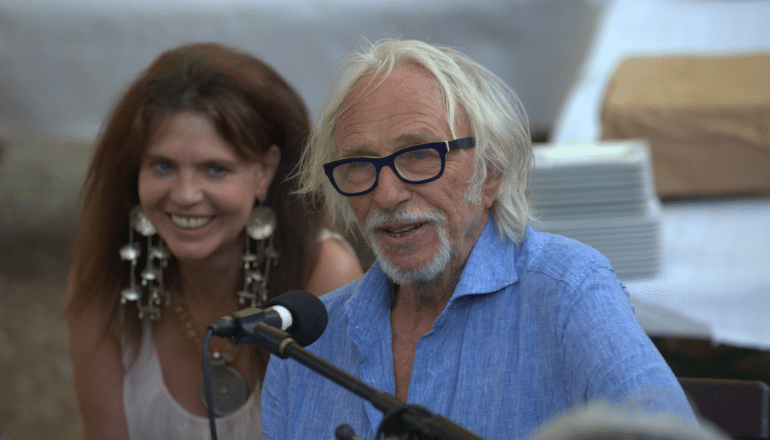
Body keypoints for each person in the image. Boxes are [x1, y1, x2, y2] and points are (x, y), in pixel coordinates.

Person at [261, 38, 696, 440]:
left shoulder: (568, 293)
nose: (387, 194)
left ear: (491, 173)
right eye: (359, 163)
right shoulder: (306, 347)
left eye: (419, 155)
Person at [66, 42, 362, 440]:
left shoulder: (323, 272)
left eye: (215, 169)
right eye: (163, 165)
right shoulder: (104, 276)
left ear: (264, 172)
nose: (186, 194)